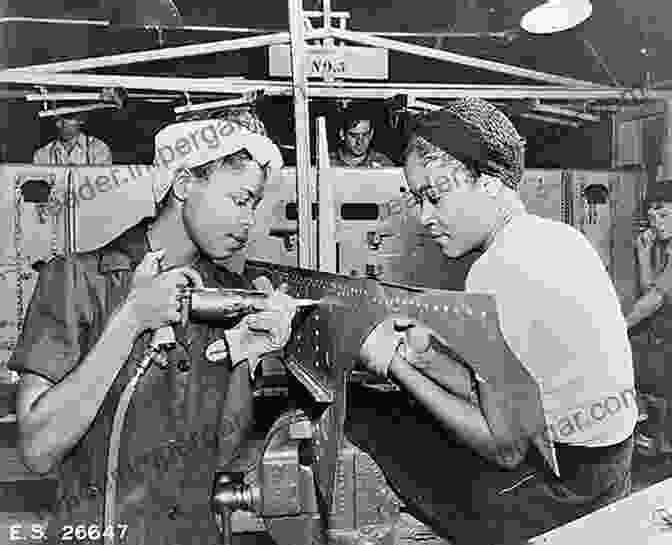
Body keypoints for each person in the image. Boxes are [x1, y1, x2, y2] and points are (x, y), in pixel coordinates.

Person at [350, 98, 637, 544]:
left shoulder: (497, 269)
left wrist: (393, 365)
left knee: (372, 416)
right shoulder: (558, 237)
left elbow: (502, 448)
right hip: (609, 472)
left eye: (434, 196)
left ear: (486, 183)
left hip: (556, 497)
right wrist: (425, 360)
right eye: (417, 200)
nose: (425, 218)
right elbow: (519, 390)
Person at [10, 110, 297, 544]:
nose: (248, 223)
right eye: (240, 200)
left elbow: (221, 455)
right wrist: (131, 321)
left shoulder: (222, 295)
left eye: (254, 205)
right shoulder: (78, 281)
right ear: (183, 184)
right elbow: (36, 450)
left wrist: (242, 359)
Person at [625, 180, 672, 453]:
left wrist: (616, 327)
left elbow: (653, 302)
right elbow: (650, 292)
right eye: (652, 216)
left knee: (638, 350)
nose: (656, 222)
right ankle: (659, 435)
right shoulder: (665, 249)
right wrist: (643, 256)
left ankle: (661, 439)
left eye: (663, 214)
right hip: (665, 329)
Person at [33, 112, 112, 166]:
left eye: (65, 118)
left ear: (81, 120)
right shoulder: (42, 154)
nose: (59, 124)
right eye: (56, 120)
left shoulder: (99, 149)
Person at [330, 106, 395, 168]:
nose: (360, 142)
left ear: (371, 134)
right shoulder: (328, 162)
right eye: (354, 136)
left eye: (365, 135)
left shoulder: (384, 164)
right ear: (342, 134)